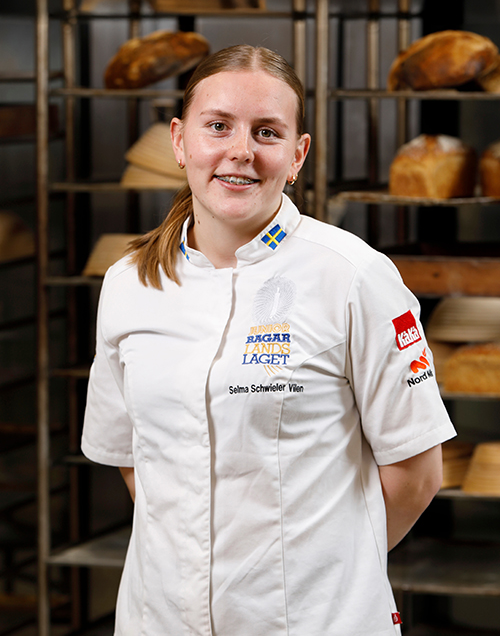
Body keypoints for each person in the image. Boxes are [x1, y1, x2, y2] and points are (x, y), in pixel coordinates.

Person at [81, 44, 456, 636]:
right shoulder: (129, 283)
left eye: (266, 132)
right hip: (159, 620)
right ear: (179, 141)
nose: (241, 151)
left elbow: (417, 474)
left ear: (297, 154)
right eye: (218, 126)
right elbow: (136, 460)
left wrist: (319, 574)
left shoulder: (354, 276)